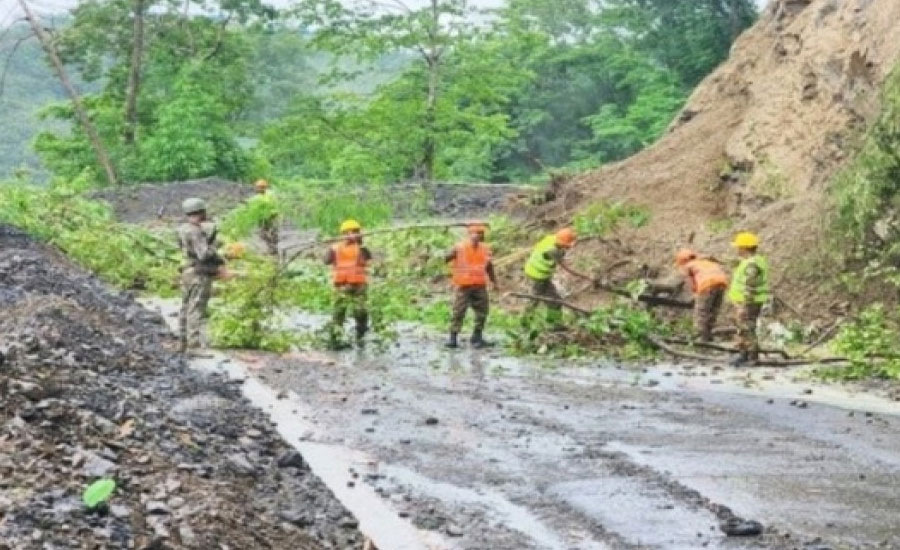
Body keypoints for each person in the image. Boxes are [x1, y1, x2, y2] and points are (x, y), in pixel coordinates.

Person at [177, 198, 225, 352]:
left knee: (185, 307)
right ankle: (194, 346)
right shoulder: (195, 231)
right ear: (201, 211)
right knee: (196, 308)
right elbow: (203, 254)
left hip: (187, 271)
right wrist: (216, 247)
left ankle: (182, 343)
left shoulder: (182, 229)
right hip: (198, 273)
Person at [445, 223, 497, 349]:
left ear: (482, 236)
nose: (477, 236)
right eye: (474, 233)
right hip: (463, 286)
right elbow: (446, 258)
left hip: (479, 285)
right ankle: (453, 338)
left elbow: (489, 266)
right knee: (458, 311)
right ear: (469, 235)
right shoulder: (459, 247)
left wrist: (494, 281)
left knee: (482, 311)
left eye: (480, 233)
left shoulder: (486, 249)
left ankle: (477, 337)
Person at [324, 219, 371, 345]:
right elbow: (326, 261)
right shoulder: (335, 248)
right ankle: (335, 339)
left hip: (359, 285)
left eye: (357, 231)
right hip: (341, 286)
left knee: (360, 312)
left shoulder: (361, 247)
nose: (354, 234)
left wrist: (360, 243)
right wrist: (330, 249)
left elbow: (367, 257)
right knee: (339, 312)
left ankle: (361, 336)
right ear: (344, 233)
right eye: (352, 231)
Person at [727, 232, 770, 366]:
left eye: (739, 247)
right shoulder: (750, 261)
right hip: (747, 302)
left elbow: (750, 287)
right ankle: (743, 354)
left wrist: (743, 306)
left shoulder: (752, 265)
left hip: (749, 302)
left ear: (744, 248)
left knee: (748, 328)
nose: (737, 250)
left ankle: (752, 357)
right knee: (743, 328)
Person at [669, 248, 729, 342]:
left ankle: (699, 337)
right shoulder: (705, 262)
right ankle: (708, 335)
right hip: (722, 283)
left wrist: (695, 293)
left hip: (707, 284)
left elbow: (690, 282)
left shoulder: (688, 265)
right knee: (713, 310)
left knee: (701, 312)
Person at [523, 228, 577, 323]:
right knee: (544, 300)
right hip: (539, 276)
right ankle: (527, 322)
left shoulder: (551, 239)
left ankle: (527, 322)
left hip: (535, 273)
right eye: (567, 245)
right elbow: (564, 263)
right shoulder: (553, 251)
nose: (568, 247)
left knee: (544, 300)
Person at [252, 179, 279, 256]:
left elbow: (275, 206)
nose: (257, 189)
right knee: (263, 234)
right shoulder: (257, 197)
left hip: (271, 217)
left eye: (259, 188)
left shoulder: (270, 195)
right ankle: (270, 248)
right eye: (257, 187)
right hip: (262, 218)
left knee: (272, 234)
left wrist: (272, 214)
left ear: (264, 188)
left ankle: (273, 249)